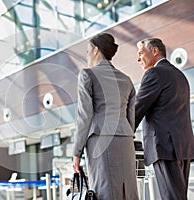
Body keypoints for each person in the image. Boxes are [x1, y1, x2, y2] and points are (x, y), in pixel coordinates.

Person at [72, 32, 139, 200]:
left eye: (88, 51)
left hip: (100, 141)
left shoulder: (87, 75)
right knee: (128, 191)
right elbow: (131, 117)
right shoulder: (127, 80)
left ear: (95, 50)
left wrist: (76, 152)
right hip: (125, 141)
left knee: (104, 191)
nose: (87, 56)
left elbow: (84, 117)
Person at [135, 38, 194, 200]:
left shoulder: (154, 73)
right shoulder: (180, 75)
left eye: (141, 53)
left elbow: (136, 109)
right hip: (183, 147)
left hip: (165, 147)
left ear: (154, 51)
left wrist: (121, 134)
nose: (138, 59)